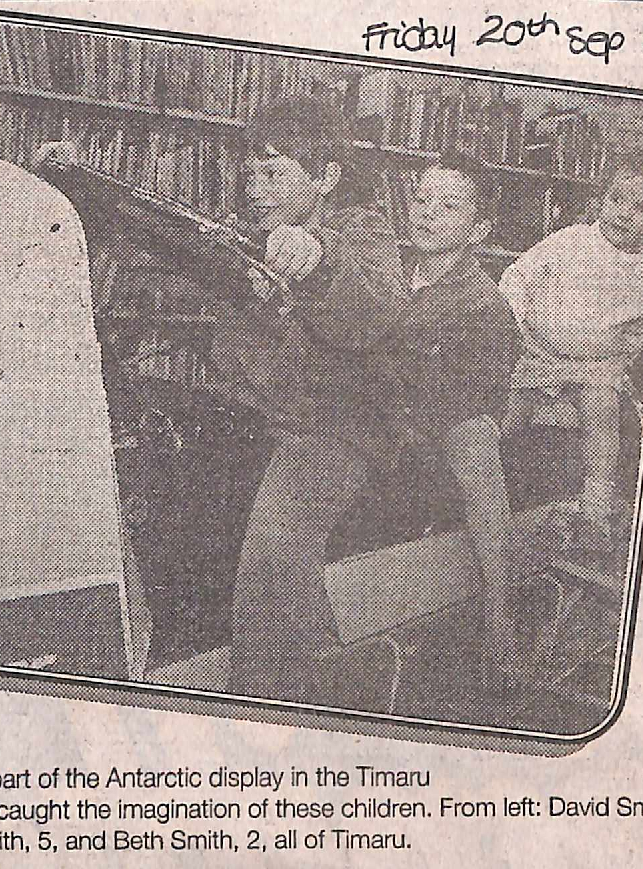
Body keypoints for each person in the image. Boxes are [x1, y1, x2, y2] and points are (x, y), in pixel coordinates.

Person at [219, 96, 411, 708]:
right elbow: (258, 355)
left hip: (347, 431)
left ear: (326, 177)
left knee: (272, 556)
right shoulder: (262, 240)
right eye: (253, 176)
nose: (259, 192)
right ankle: (346, 673)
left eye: (277, 175)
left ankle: (261, 706)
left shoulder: (364, 233)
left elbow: (379, 306)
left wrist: (319, 263)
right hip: (282, 421)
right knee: (280, 568)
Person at [387, 154, 522, 682]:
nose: (427, 213)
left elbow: (469, 399)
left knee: (477, 441)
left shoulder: (484, 303)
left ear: (478, 229)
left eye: (448, 206)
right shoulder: (384, 266)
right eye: (421, 199)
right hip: (361, 412)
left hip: (432, 424)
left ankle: (499, 617)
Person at [500, 154, 643, 547]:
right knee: (508, 417)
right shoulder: (572, 240)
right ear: (602, 200)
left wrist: (604, 358)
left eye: (642, 208)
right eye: (617, 199)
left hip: (596, 368)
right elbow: (517, 277)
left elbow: (635, 339)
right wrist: (521, 322)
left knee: (601, 407)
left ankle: (595, 508)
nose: (624, 214)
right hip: (536, 353)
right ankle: (482, 493)